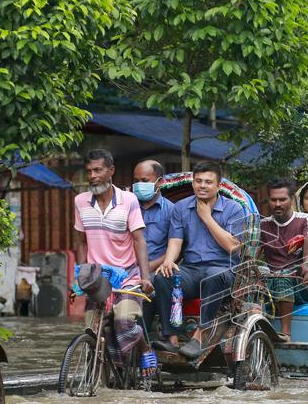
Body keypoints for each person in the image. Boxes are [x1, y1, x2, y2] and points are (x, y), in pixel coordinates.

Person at [73, 149, 156, 377]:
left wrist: (145, 277)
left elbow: (139, 240)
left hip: (127, 277)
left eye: (98, 170)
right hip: (97, 279)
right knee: (93, 331)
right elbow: (81, 241)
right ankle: (102, 375)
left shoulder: (128, 200)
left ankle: (144, 348)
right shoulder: (80, 201)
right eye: (89, 171)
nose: (92, 176)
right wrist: (80, 274)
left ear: (111, 171)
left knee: (124, 321)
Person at [153, 162, 244, 359]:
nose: (202, 185)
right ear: (193, 183)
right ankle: (171, 337)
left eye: (208, 182)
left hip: (223, 269)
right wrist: (168, 260)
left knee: (213, 275)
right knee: (162, 277)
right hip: (191, 269)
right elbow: (175, 240)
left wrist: (207, 217)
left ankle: (200, 336)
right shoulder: (181, 207)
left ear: (218, 186)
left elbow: (232, 247)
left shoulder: (233, 208)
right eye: (198, 181)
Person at [260, 178, 308, 340]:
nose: (278, 204)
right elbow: (253, 254)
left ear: (292, 199)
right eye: (273, 200)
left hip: (307, 282)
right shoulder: (263, 225)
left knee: (283, 278)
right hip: (273, 281)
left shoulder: (305, 219)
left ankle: (285, 333)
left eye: (282, 199)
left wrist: (306, 266)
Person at [131, 159, 175, 331]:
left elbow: (176, 248)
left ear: (159, 182)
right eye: (136, 181)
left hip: (157, 270)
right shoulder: (128, 207)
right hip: (129, 269)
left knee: (150, 288)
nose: (139, 185)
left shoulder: (172, 210)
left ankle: (147, 339)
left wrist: (148, 267)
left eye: (144, 181)